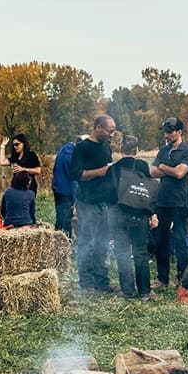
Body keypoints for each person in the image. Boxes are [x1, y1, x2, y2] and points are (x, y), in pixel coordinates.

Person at [70, 115, 116, 295]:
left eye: (113, 132)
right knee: (87, 244)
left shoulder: (106, 147)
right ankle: (86, 284)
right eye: (109, 131)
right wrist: (100, 172)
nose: (111, 135)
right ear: (98, 127)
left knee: (102, 244)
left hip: (105, 203)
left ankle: (101, 282)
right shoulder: (82, 148)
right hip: (88, 203)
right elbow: (76, 174)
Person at [108, 135, 155, 300]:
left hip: (117, 214)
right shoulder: (142, 165)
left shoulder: (113, 168)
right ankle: (145, 292)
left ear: (121, 149)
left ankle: (127, 291)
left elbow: (108, 194)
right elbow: (148, 192)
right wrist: (152, 214)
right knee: (140, 252)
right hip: (138, 215)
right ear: (137, 150)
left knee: (122, 253)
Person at [150, 117, 188, 288]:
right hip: (162, 201)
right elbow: (152, 172)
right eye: (165, 132)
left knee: (180, 240)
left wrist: (163, 167)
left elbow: (180, 173)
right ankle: (162, 278)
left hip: (178, 202)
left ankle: (182, 278)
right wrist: (170, 169)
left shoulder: (187, 151)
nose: (166, 135)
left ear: (179, 132)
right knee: (160, 240)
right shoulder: (163, 150)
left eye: (169, 132)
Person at [51, 137, 80, 236]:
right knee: (67, 221)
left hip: (57, 187)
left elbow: (54, 169)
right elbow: (74, 180)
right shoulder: (73, 156)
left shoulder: (63, 150)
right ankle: (66, 241)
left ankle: (56, 239)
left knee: (59, 218)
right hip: (67, 191)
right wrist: (75, 200)